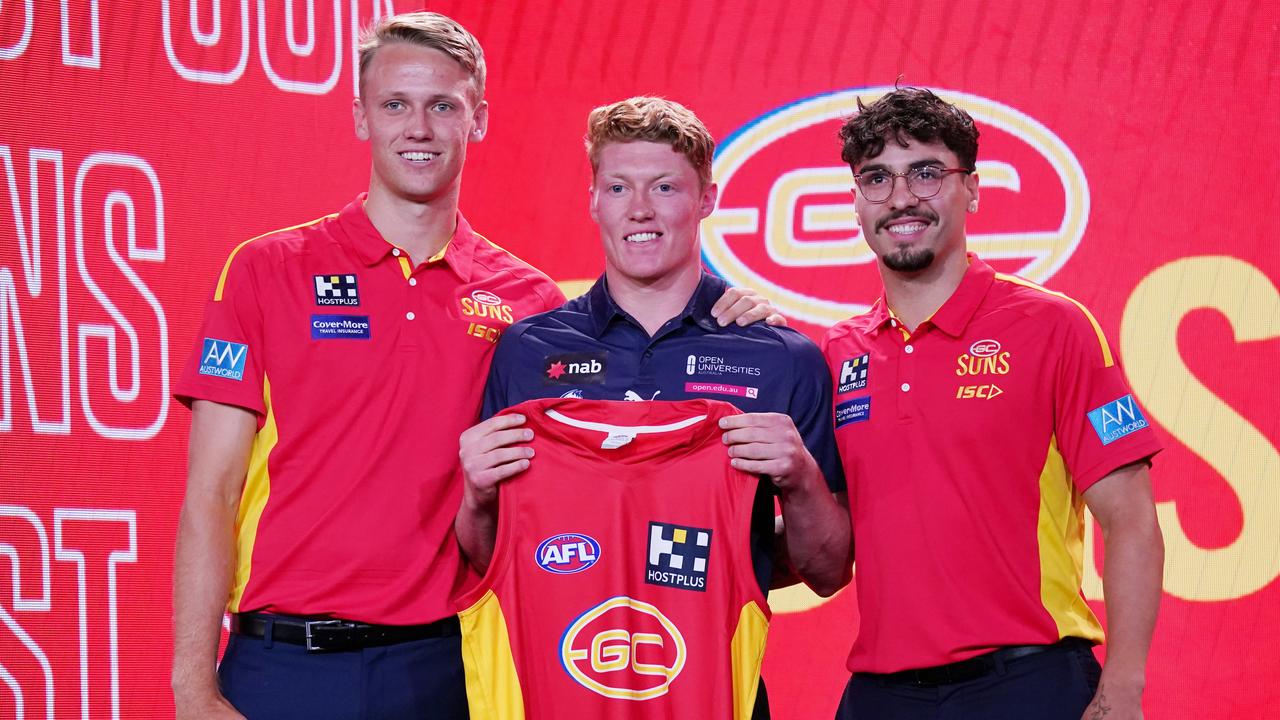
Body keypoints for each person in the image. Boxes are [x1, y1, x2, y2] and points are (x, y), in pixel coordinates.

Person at [170, 14, 777, 719]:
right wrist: (192, 686)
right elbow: (211, 490)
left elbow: (621, 446)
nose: (418, 127)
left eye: (443, 106)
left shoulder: (530, 304)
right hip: (283, 664)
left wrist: (727, 315)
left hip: (449, 665)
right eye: (395, 104)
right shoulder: (265, 270)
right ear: (361, 116)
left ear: (478, 119)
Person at [454, 96, 852, 718]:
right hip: (561, 693)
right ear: (593, 200)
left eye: (665, 186)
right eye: (618, 186)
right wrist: (476, 495)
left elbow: (828, 572)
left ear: (707, 200)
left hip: (716, 693)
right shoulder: (528, 352)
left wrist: (799, 478)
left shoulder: (781, 357)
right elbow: (495, 560)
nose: (639, 209)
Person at [822, 87, 1163, 720]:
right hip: (879, 694)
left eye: (927, 173)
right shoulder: (838, 352)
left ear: (973, 190)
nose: (901, 197)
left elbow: (1133, 520)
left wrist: (1124, 688)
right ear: (856, 201)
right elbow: (825, 541)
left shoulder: (1054, 326)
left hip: (1029, 682)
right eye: (876, 178)